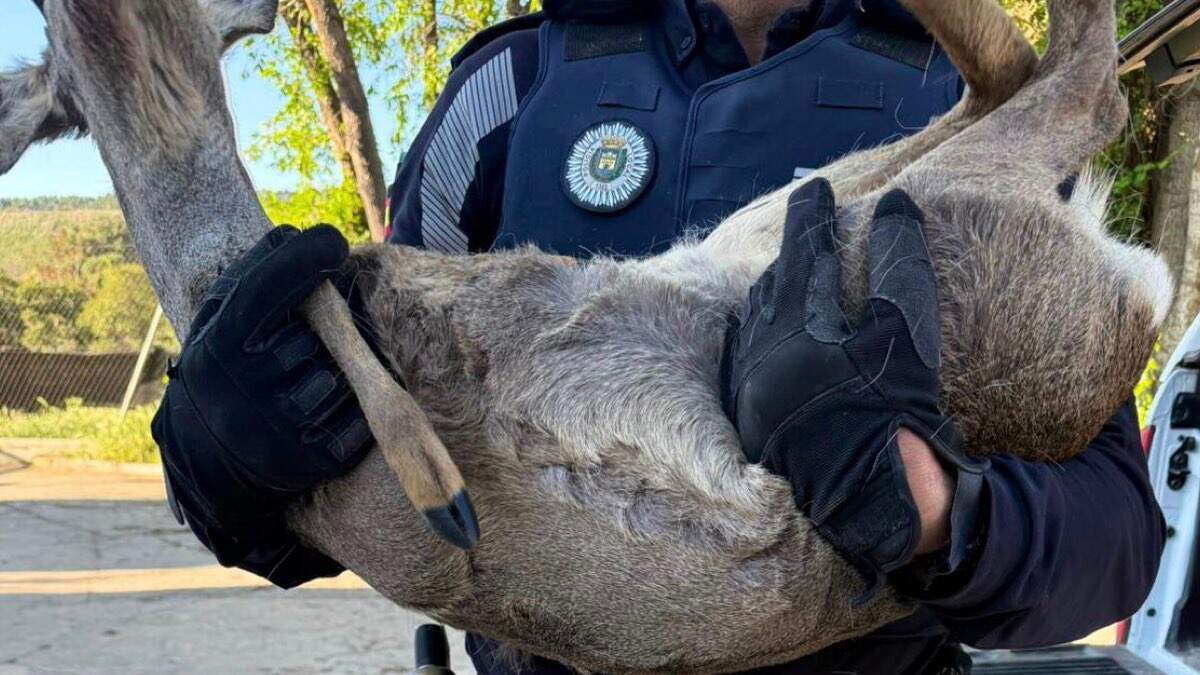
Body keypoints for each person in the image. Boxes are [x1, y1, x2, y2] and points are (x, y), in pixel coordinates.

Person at [150, 1, 1167, 673]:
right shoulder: (507, 90)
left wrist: (933, 511)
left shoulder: (960, 106)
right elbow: (367, 417)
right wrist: (231, 471)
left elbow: (1118, 532)